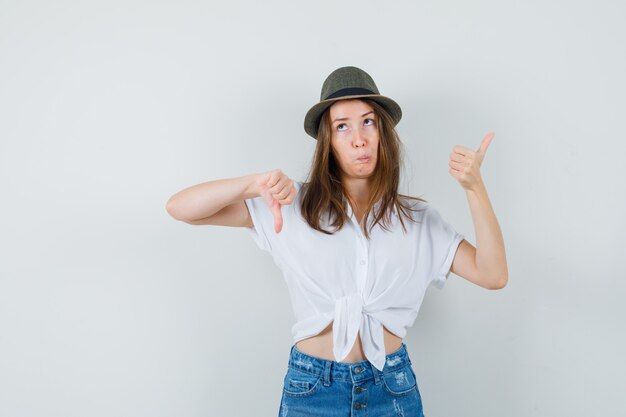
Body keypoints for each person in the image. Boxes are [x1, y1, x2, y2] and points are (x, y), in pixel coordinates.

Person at [165, 66, 508, 417]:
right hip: (313, 390)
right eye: (342, 126)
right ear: (328, 141)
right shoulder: (291, 205)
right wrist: (253, 185)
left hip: (391, 390)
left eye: (368, 122)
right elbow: (181, 208)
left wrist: (474, 188)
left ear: (382, 133)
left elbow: (493, 274)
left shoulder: (417, 219)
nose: (358, 139)